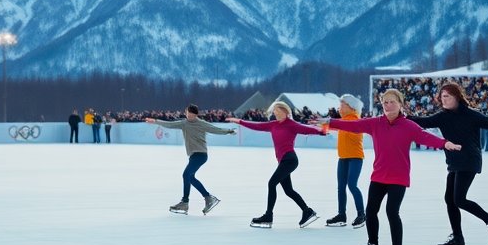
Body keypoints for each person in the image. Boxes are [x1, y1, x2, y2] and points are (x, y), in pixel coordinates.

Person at [321, 89, 461, 245]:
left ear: (400, 104)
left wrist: (444, 143)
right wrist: (330, 122)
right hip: (379, 176)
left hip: (398, 177)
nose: (388, 105)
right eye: (385, 102)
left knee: (391, 212)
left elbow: (425, 137)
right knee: (371, 211)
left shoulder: (408, 126)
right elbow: (354, 126)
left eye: (392, 102)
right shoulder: (375, 123)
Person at [409, 82, 488, 245]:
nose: (444, 100)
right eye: (442, 97)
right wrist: (400, 116)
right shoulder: (442, 116)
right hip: (454, 162)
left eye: (447, 96)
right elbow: (423, 122)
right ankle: (458, 238)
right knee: (450, 199)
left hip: (469, 160)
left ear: (456, 96)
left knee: (459, 199)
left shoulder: (470, 115)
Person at [227, 101, 323, 229]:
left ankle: (268, 215)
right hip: (283, 160)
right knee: (288, 190)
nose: (275, 112)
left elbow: (306, 130)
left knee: (271, 183)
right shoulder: (273, 125)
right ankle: (307, 211)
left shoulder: (291, 124)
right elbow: (256, 126)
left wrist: (321, 131)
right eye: (274, 111)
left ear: (285, 112)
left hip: (289, 159)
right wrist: (239, 121)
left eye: (277, 110)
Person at [147, 104, 236, 214]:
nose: (187, 114)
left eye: (189, 113)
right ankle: (208, 198)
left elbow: (215, 129)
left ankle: (185, 202)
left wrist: (229, 131)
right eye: (186, 112)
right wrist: (156, 121)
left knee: (186, 175)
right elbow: (169, 125)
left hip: (201, 155)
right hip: (193, 156)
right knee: (190, 177)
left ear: (195, 114)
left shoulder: (202, 124)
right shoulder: (184, 123)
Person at [324, 94, 366, 227]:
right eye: (339, 105)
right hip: (343, 158)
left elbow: (343, 126)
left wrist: (330, 124)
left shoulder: (354, 120)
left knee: (352, 185)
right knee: (341, 187)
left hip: (355, 158)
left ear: (351, 107)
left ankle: (361, 214)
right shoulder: (343, 120)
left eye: (342, 105)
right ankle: (341, 214)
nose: (339, 108)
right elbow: (333, 127)